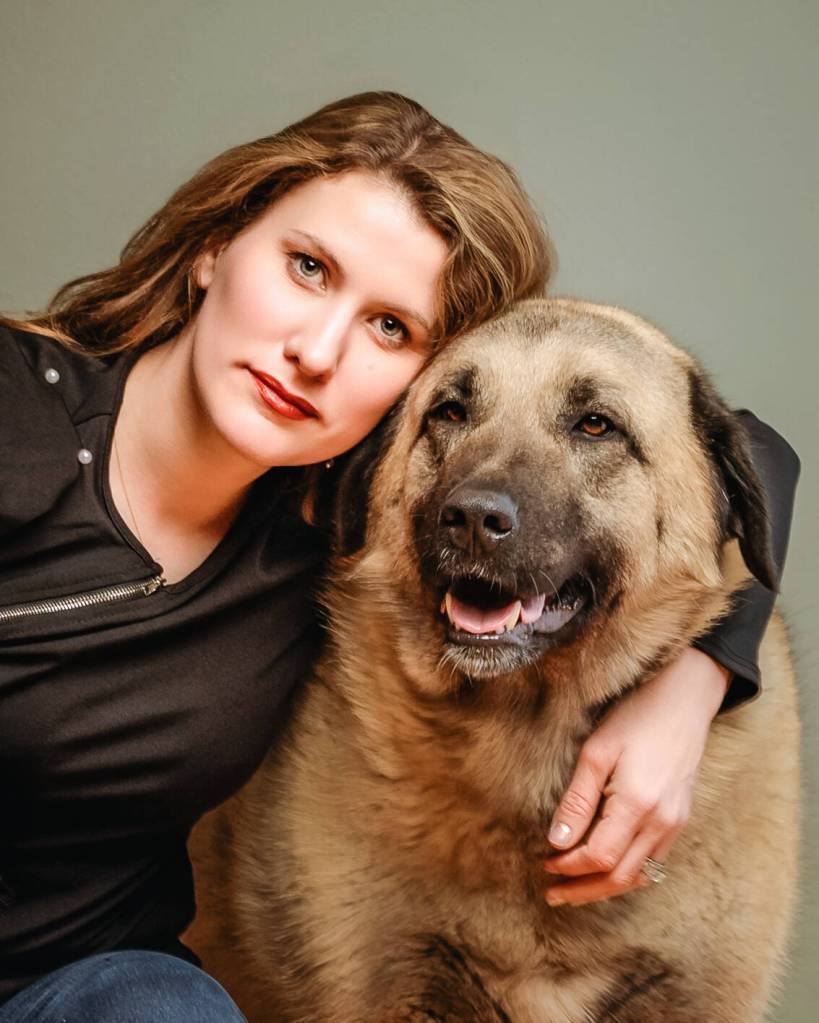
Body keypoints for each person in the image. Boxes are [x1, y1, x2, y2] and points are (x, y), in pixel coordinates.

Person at [0, 91, 798, 1020]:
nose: (317, 348)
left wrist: (698, 673)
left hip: (82, 985)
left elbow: (737, 474)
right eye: (306, 268)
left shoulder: (334, 528)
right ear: (214, 245)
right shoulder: (19, 418)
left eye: (389, 327)